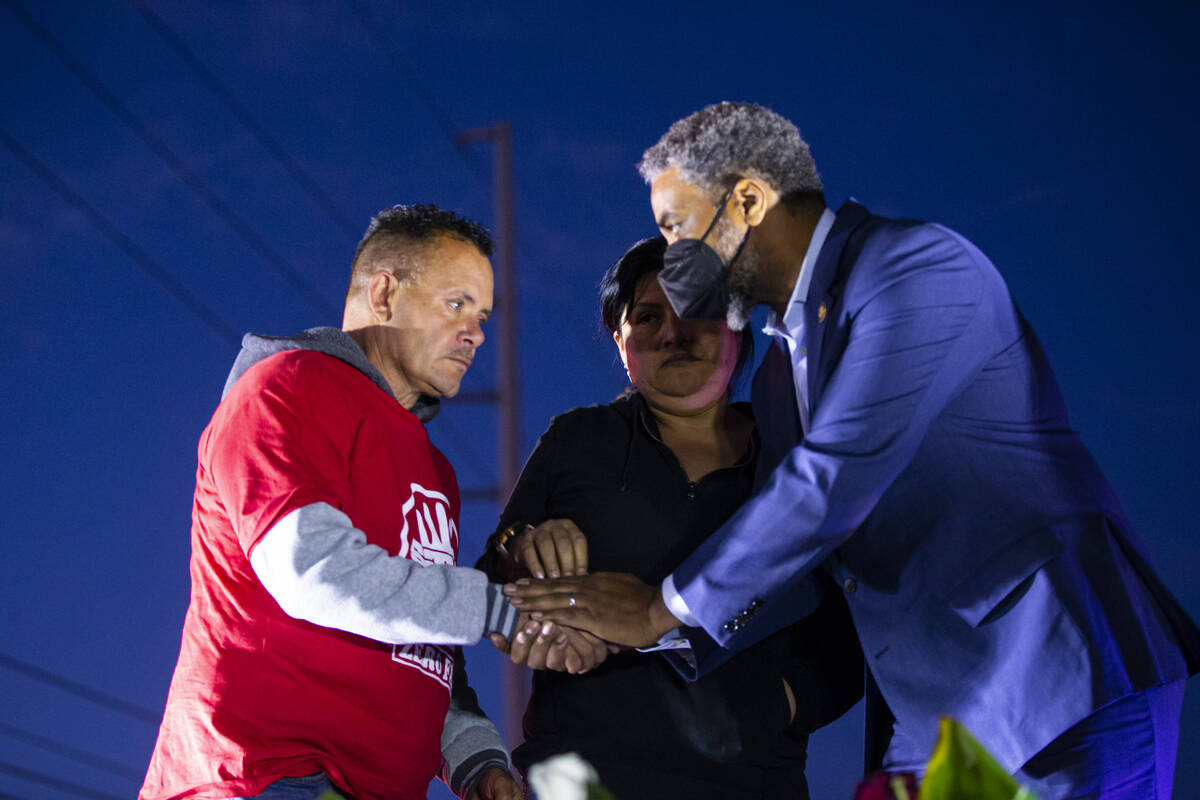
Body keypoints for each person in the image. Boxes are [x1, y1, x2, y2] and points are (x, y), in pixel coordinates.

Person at [508, 103, 1200, 798]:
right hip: (939, 715)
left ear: (747, 200)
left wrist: (657, 610)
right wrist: (616, 633)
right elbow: (790, 560)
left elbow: (833, 480)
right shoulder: (779, 375)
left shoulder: (918, 269)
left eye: (676, 228)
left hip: (1060, 676)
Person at [140, 204, 596, 800]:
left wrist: (477, 761)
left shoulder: (435, 468)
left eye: (483, 316)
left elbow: (420, 643)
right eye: (456, 304)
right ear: (383, 294)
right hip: (266, 778)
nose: (477, 332)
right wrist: (504, 609)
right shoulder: (288, 386)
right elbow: (315, 572)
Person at [478, 237, 862, 799]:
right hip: (578, 778)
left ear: (738, 326)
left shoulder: (793, 461)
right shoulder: (578, 439)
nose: (672, 332)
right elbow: (493, 580)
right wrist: (523, 546)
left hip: (752, 785)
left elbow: (852, 626)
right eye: (648, 316)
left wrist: (778, 704)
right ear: (620, 339)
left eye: (698, 310)